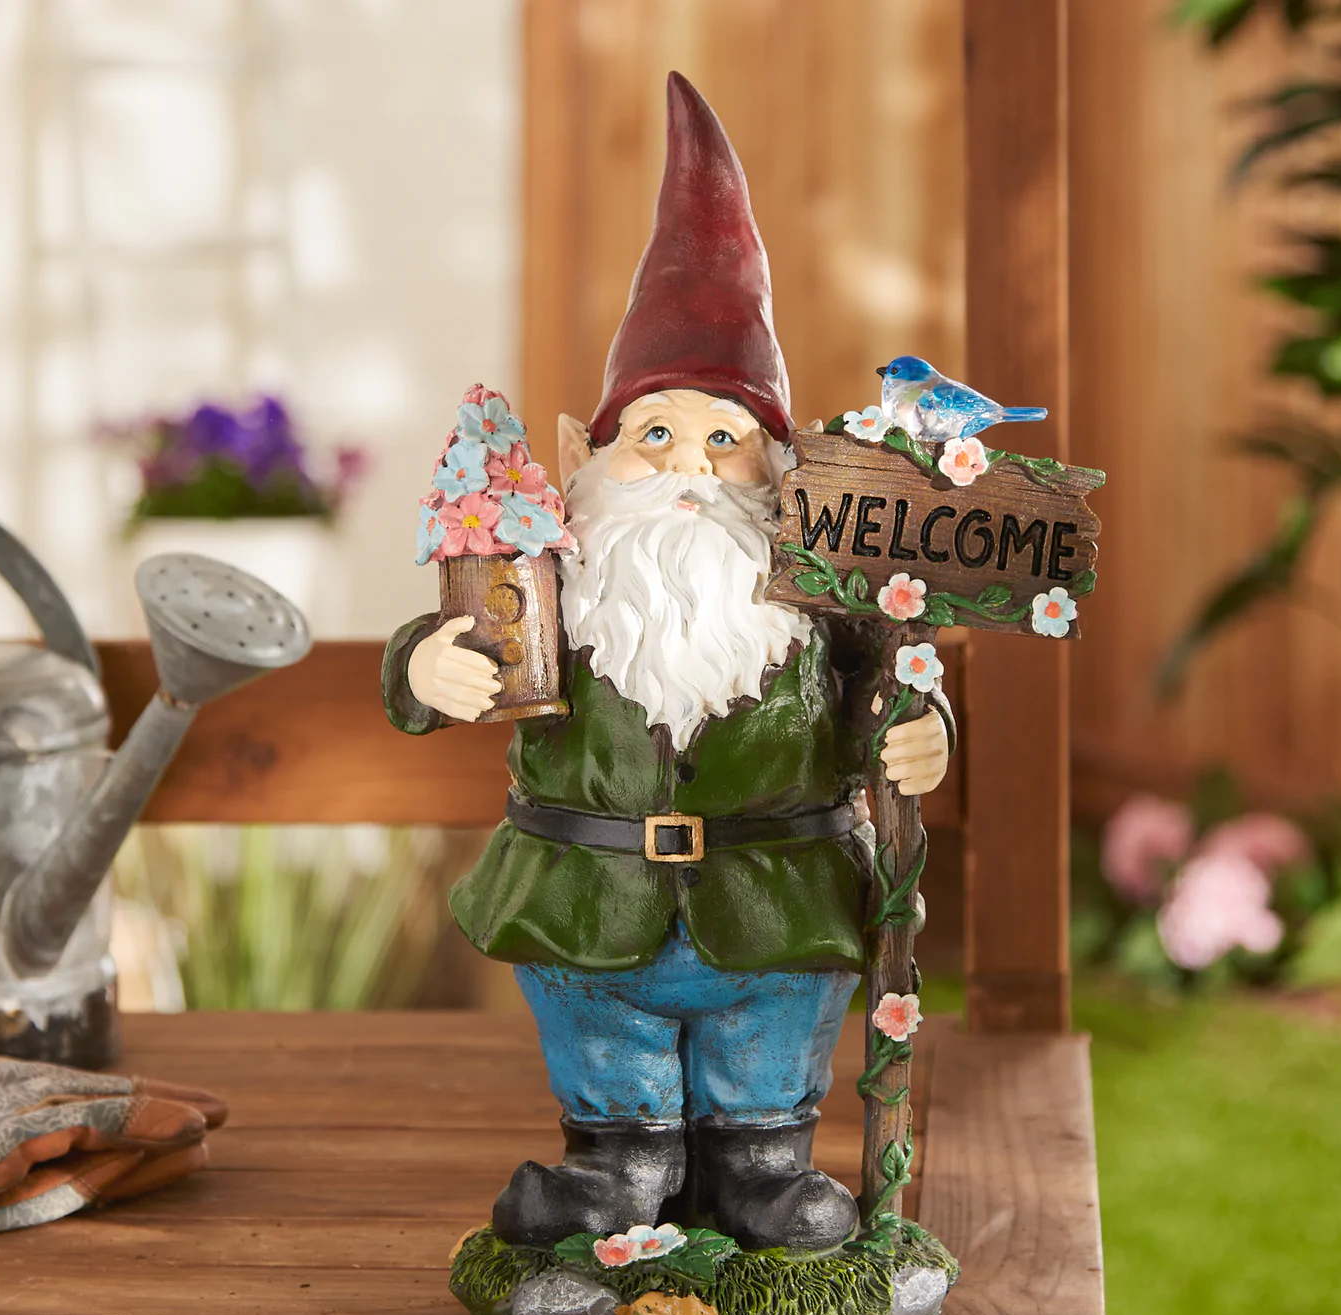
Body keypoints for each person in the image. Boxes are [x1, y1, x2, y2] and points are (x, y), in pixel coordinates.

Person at [382, 73, 952, 1253]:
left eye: (724, 440)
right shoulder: (556, 583)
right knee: (611, 1075)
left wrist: (922, 727)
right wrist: (427, 667)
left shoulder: (823, 599)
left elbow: (890, 682)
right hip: (585, 904)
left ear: (781, 471)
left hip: (776, 903)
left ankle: (760, 1167)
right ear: (589, 457)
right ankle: (616, 1165)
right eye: (655, 434)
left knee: (764, 1094)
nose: (689, 468)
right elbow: (448, 639)